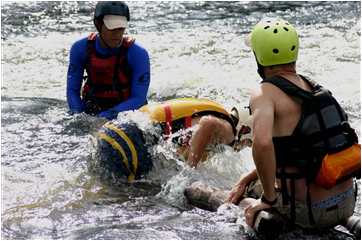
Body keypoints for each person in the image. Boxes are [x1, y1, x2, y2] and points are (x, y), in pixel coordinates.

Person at [227, 18, 359, 230]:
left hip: (308, 212)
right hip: (347, 203)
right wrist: (248, 176)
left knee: (245, 195)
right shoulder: (314, 88)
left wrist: (268, 199)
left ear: (258, 57)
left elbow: (262, 144)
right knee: (254, 180)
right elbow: (303, 149)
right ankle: (347, 221)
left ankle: (250, 206)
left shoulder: (264, 92)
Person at [95, 98, 252, 182]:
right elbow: (208, 123)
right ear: (244, 131)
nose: (244, 147)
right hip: (130, 141)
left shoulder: (218, 114)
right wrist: (191, 170)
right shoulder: (228, 130)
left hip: (115, 132)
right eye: (248, 143)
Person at [67, 1, 150, 120]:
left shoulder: (138, 54)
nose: (117, 34)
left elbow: (139, 98)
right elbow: (72, 91)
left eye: (121, 28)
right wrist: (79, 116)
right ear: (98, 25)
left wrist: (106, 116)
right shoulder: (80, 49)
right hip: (92, 108)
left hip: (127, 112)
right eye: (112, 29)